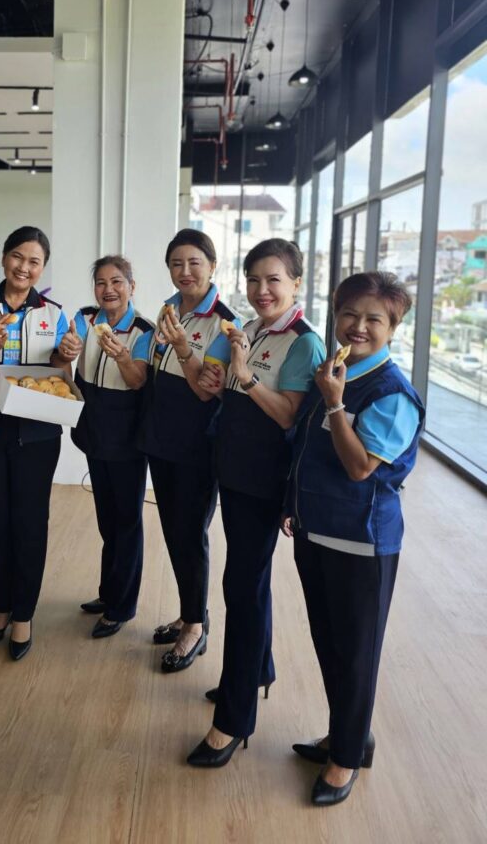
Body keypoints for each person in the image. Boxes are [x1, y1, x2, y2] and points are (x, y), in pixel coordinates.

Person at [282, 271, 424, 806]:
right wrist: (293, 505)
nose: (358, 326)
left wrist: (336, 404)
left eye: (374, 319)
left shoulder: (392, 392)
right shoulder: (335, 370)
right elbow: (306, 449)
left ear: (393, 328)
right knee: (329, 642)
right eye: (349, 314)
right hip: (316, 528)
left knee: (357, 653)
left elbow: (360, 466)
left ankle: (346, 757)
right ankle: (347, 733)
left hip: (362, 542)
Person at [184, 238, 325, 768]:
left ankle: (234, 719)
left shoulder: (304, 343)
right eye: (253, 280)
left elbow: (288, 414)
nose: (262, 290)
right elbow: (236, 392)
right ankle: (256, 671)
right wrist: (224, 381)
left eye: (273, 280)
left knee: (241, 589)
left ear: (296, 283)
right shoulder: (255, 328)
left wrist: (243, 376)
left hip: (264, 481)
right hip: (237, 471)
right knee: (250, 582)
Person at [128, 229, 241, 673]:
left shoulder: (224, 323)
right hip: (162, 438)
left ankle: (196, 626)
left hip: (196, 445)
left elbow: (205, 390)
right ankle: (188, 612)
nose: (185, 271)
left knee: (191, 534)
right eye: (177, 263)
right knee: (174, 531)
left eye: (195, 262)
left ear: (213, 266)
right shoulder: (169, 309)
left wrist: (180, 346)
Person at [0, 227, 70, 660]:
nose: (23, 268)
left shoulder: (54, 314)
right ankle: (0, 608)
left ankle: (24, 614)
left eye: (34, 262)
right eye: (17, 257)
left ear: (42, 268)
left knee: (30, 522)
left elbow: (62, 377)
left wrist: (66, 356)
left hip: (38, 431)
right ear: (3, 257)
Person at [61, 255, 153, 639]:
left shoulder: (144, 330)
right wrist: (66, 350)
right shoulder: (84, 318)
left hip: (127, 434)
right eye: (101, 282)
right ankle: (108, 591)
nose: (108, 289)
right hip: (94, 427)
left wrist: (123, 356)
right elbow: (65, 358)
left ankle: (121, 606)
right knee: (106, 518)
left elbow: (137, 381)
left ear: (132, 286)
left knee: (127, 520)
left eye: (117, 282)